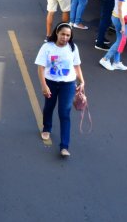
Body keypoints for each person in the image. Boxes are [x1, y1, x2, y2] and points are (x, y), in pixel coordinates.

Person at [35, 22, 85, 158]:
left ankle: (64, 146)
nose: (65, 37)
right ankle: (47, 127)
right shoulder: (47, 47)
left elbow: (77, 66)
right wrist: (44, 85)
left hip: (68, 84)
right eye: (63, 34)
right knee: (49, 107)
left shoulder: (73, 48)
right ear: (57, 33)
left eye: (68, 35)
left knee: (64, 113)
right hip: (50, 82)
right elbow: (40, 68)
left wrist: (82, 80)